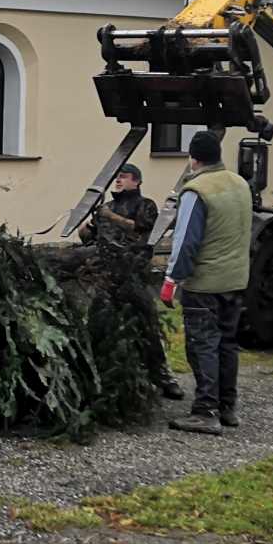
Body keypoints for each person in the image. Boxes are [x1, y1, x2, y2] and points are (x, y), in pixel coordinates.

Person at [162, 130, 253, 434]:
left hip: (205, 284)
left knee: (203, 346)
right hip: (236, 280)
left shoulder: (196, 190)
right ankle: (227, 407)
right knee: (228, 343)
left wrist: (171, 279)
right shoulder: (240, 184)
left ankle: (205, 411)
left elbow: (186, 240)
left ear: (192, 158)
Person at [80, 163, 185, 400]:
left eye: (124, 177)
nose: (118, 181)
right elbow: (91, 238)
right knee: (96, 326)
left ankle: (163, 377)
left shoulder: (144, 205)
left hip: (133, 275)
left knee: (147, 325)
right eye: (117, 177)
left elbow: (142, 230)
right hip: (107, 277)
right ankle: (94, 376)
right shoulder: (106, 207)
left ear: (136, 181)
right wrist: (86, 227)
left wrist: (111, 217)